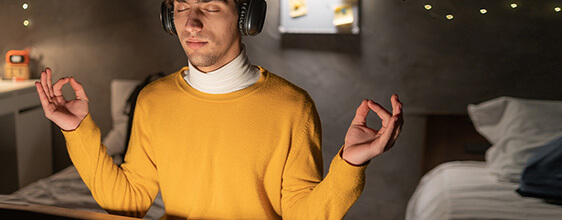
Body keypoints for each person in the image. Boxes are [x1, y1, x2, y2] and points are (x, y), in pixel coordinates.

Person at [35, 0, 403, 219]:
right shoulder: (153, 99)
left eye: (210, 7)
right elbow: (129, 202)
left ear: (246, 17)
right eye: (180, 7)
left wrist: (350, 164)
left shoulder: (293, 106)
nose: (191, 23)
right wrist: (76, 130)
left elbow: (302, 215)